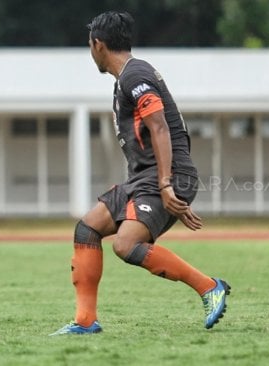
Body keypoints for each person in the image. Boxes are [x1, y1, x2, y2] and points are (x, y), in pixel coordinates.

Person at [51, 11, 230, 335]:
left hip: (164, 175)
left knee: (125, 245)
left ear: (98, 44)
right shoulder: (130, 77)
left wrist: (166, 184)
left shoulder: (135, 77)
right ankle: (85, 322)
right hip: (146, 178)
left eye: (90, 46)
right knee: (87, 229)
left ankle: (209, 287)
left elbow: (159, 127)